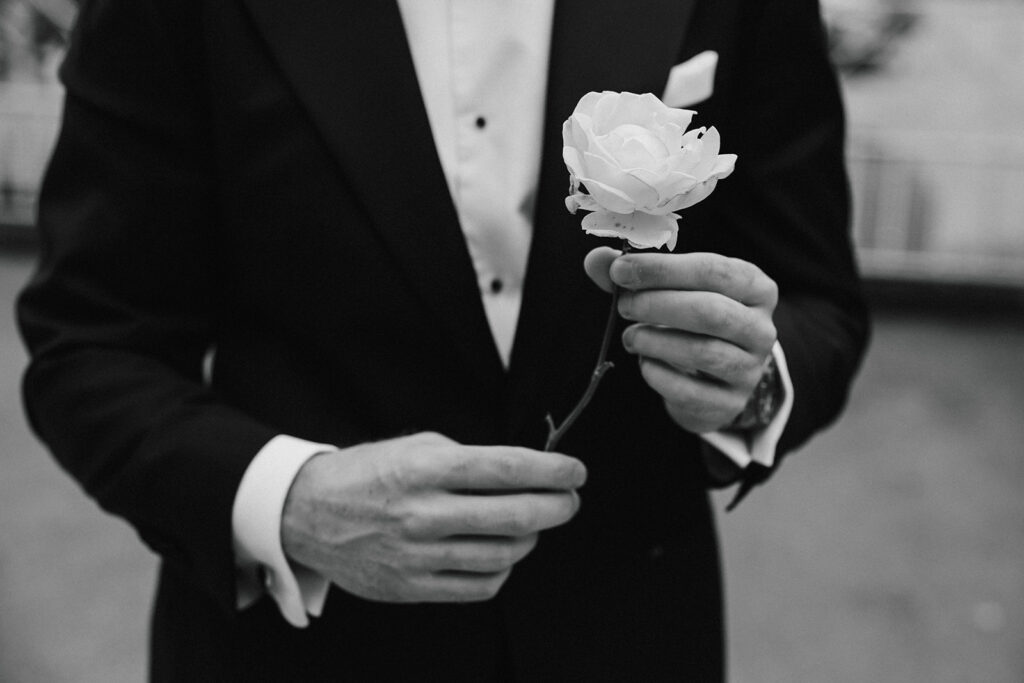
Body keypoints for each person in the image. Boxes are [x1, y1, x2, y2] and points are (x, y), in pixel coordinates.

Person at [17, 0, 869, 680]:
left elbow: (819, 303)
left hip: (625, 632)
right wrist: (290, 500)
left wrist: (748, 383)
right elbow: (90, 342)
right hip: (299, 648)